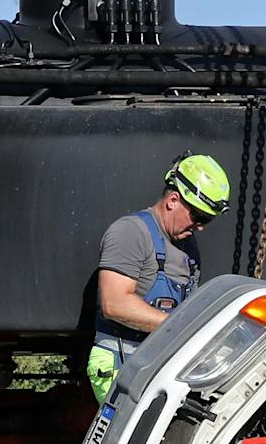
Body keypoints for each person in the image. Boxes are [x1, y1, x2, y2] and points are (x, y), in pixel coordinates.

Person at [87, 154, 231, 403]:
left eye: (208, 220)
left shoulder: (187, 244)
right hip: (122, 362)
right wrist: (182, 328)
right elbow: (114, 304)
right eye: (199, 217)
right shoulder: (131, 232)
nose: (201, 227)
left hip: (155, 362)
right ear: (174, 200)